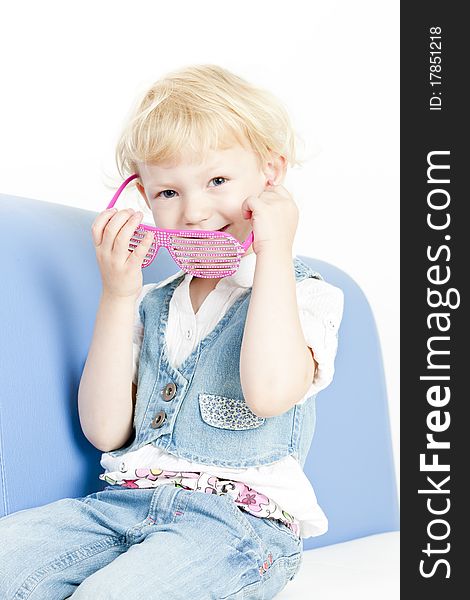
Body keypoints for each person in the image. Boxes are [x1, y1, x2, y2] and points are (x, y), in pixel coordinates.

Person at [0, 64, 344, 599]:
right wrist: (118, 295)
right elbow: (106, 431)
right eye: (167, 192)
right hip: (123, 506)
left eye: (217, 181)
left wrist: (275, 250)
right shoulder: (151, 304)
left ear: (270, 176)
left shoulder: (306, 295)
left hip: (236, 528)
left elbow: (271, 392)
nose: (194, 211)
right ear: (142, 196)